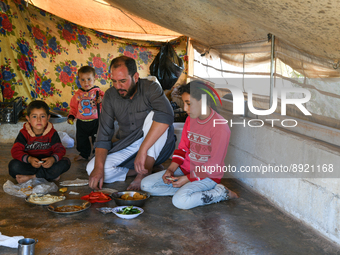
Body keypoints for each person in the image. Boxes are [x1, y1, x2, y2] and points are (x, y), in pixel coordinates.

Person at [141, 81, 238, 209]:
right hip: (185, 170)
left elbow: (213, 165)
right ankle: (190, 192)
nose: (185, 109)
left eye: (189, 104)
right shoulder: (190, 119)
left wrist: (187, 179)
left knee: (180, 202)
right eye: (184, 104)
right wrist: (170, 170)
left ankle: (221, 192)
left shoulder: (220, 127)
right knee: (145, 185)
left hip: (207, 176)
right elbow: (182, 149)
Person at [86, 56, 175, 190]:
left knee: (156, 115)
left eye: (123, 81)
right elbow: (103, 135)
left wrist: (143, 149)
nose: (118, 86)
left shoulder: (151, 88)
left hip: (157, 144)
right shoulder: (110, 96)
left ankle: (142, 174)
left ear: (135, 77)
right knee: (92, 168)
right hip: (129, 145)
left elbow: (167, 115)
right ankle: (143, 169)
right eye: (114, 81)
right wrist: (99, 168)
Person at [8, 100, 71, 183]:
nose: (38, 120)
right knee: (13, 166)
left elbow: (60, 150)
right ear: (28, 118)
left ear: (48, 117)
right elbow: (15, 151)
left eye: (42, 116)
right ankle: (48, 175)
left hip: (47, 164)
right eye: (34, 116)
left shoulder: (52, 133)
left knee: (66, 162)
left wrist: (52, 159)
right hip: (30, 164)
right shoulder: (24, 133)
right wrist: (29, 159)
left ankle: (32, 177)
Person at [67, 66, 104, 161]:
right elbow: (73, 107)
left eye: (89, 79)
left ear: (94, 79)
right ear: (79, 80)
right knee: (81, 140)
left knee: (97, 139)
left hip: (95, 121)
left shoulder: (98, 92)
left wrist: (102, 100)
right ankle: (84, 154)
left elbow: (107, 102)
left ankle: (97, 155)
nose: (86, 82)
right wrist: (71, 116)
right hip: (81, 122)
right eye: (82, 80)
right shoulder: (77, 95)